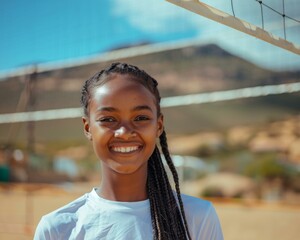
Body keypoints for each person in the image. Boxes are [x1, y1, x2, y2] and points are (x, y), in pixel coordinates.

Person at [34, 62, 224, 240]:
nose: (124, 132)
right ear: (87, 128)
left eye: (140, 117)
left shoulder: (197, 217)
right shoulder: (57, 229)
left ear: (158, 126)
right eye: (108, 119)